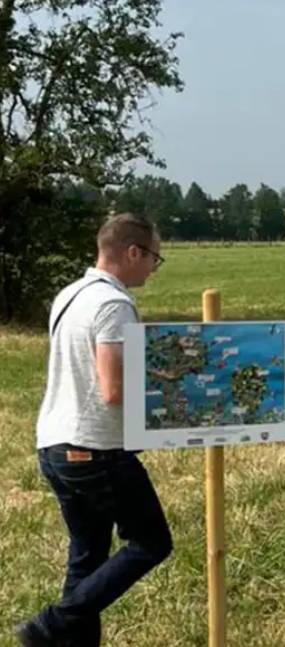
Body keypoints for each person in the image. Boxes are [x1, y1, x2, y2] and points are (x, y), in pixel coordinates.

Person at [16, 213, 173, 647]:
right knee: (151, 542)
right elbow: (113, 387)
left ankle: (67, 637)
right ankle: (51, 624)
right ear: (133, 252)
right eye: (154, 259)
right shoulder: (113, 305)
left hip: (54, 443)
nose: (152, 270)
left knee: (87, 559)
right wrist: (175, 390)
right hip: (95, 448)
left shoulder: (70, 294)